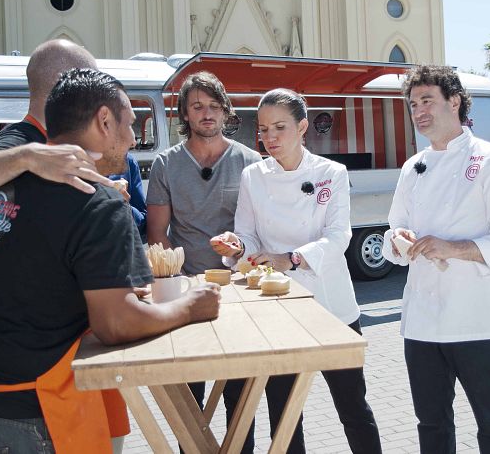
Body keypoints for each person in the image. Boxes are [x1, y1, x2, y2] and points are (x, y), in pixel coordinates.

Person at [0, 68, 221, 453]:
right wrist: (189, 306)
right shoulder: (98, 200)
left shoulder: (0, 178)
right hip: (29, 409)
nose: (133, 139)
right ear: (104, 121)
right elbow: (116, 324)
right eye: (128, 124)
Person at [211, 88, 382, 454]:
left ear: (303, 127)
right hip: (279, 311)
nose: (270, 138)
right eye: (263, 129)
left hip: (331, 308)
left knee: (352, 407)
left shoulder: (331, 173)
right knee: (285, 415)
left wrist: (289, 258)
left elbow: (338, 237)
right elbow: (248, 236)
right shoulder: (253, 176)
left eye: (280, 128)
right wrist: (237, 247)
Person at [381, 65, 490, 454]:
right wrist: (399, 240)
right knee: (432, 423)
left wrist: (451, 248)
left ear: (455, 101)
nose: (419, 110)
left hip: (474, 319)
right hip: (422, 322)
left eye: (427, 100)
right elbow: (395, 231)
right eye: (413, 104)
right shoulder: (414, 166)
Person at [145, 71, 261, 449]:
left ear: (225, 111)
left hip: (238, 290)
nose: (206, 113)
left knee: (239, 391)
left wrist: (239, 252)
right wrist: (175, 283)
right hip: (186, 291)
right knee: (189, 395)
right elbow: (158, 233)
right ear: (185, 113)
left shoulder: (249, 160)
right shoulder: (166, 164)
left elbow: (260, 228)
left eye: (214, 106)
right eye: (197, 106)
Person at [0, 39, 111, 204]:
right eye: (89, 82)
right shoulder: (19, 139)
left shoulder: (45, 142)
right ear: (63, 83)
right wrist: (27, 156)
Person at [109, 155, 147, 242]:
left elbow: (143, 226)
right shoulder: (74, 164)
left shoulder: (129, 162)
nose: (134, 142)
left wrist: (125, 206)